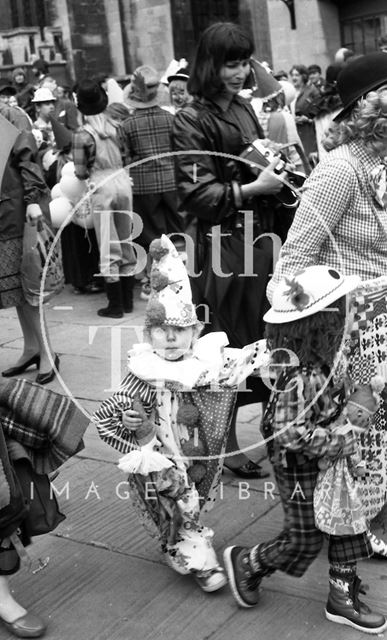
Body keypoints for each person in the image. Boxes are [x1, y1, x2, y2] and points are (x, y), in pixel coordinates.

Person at [93, 235, 267, 593]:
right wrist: (127, 420)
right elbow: (115, 410)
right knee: (181, 499)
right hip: (162, 452)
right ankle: (200, 559)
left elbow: (242, 363)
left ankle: (176, 539)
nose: (170, 338)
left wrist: (269, 350)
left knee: (191, 501)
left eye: (179, 330)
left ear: (194, 332)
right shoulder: (144, 369)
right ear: (149, 333)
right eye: (161, 331)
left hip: (199, 450)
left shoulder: (205, 363)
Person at [224, 266, 387, 635]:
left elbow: (344, 389)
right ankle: (250, 563)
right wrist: (337, 441)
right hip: (298, 464)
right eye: (342, 313)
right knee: (304, 538)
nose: (348, 319)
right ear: (320, 326)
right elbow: (286, 432)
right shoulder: (300, 376)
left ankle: (341, 596)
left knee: (346, 521)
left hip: (329, 458)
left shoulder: (329, 358)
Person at [268, 52, 387, 555]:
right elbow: (295, 256)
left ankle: (370, 513)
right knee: (364, 423)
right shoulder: (339, 169)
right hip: (354, 320)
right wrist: (291, 336)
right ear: (373, 106)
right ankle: (359, 523)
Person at [172, 22, 285, 478]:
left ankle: (271, 429)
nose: (240, 72)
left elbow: (255, 157)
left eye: (243, 62)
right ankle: (227, 442)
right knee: (227, 344)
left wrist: (276, 167)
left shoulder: (242, 107)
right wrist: (253, 186)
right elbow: (195, 193)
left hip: (260, 239)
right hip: (221, 244)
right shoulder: (189, 118)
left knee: (265, 337)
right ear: (209, 64)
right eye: (231, 63)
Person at [0, 94, 59, 384]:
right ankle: (32, 347)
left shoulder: (10, 115)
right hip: (3, 215)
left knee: (29, 287)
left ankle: (47, 352)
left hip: (16, 213)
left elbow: (28, 159)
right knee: (14, 290)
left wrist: (34, 199)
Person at [73, 79, 136, 318]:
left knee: (108, 244)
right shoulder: (118, 126)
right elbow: (128, 156)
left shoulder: (83, 134)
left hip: (101, 183)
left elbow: (79, 171)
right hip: (122, 180)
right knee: (126, 239)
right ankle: (128, 301)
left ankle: (115, 305)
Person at [122, 65, 183, 300]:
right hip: (171, 183)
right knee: (177, 235)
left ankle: (153, 282)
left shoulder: (127, 125)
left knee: (149, 238)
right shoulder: (171, 119)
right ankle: (179, 277)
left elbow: (125, 158)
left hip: (143, 187)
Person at [289, 64, 322, 161]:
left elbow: (319, 114)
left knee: (310, 162)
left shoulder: (312, 91)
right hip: (294, 133)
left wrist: (307, 119)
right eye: (292, 75)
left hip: (308, 133)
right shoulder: (290, 92)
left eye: (297, 75)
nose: (294, 78)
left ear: (303, 76)